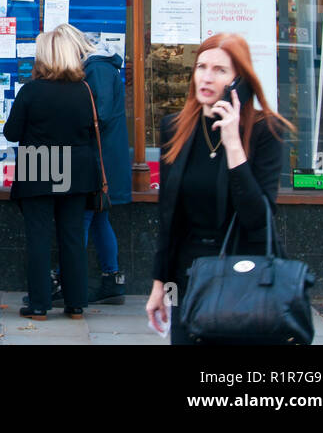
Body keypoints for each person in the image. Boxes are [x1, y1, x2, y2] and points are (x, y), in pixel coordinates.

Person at [146, 33, 292, 344]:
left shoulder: (266, 131)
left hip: (245, 275)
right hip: (189, 276)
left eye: (220, 70)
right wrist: (160, 285)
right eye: (201, 67)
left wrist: (234, 145)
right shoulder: (175, 127)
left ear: (241, 81)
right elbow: (168, 217)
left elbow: (259, 218)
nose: (207, 77)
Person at [4, 27, 101, 320]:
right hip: (77, 169)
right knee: (72, 237)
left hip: (39, 166)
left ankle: (39, 305)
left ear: (44, 56)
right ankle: (75, 304)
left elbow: (11, 133)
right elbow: (94, 129)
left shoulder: (31, 90)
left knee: (38, 238)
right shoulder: (85, 90)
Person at [58, 24, 132, 304]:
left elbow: (98, 114)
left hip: (98, 159)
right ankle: (111, 279)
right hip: (102, 157)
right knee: (98, 218)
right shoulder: (99, 67)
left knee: (82, 219)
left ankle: (65, 278)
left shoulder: (98, 69)